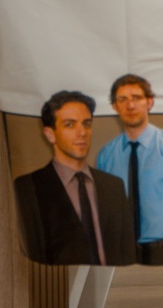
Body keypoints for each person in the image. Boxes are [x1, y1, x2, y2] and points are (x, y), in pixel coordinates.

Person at [14, 90, 136, 267]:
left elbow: (127, 254)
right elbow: (33, 256)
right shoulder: (29, 187)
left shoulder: (113, 186)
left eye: (86, 124)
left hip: (114, 290)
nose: (82, 133)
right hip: (60, 290)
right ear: (50, 134)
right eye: (70, 125)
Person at [96, 73, 163, 265]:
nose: (130, 106)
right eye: (123, 99)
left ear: (149, 102)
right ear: (115, 106)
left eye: (136, 98)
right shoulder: (106, 156)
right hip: (121, 255)